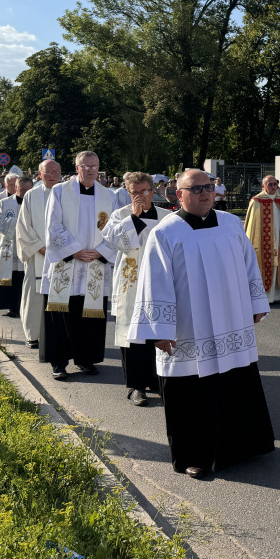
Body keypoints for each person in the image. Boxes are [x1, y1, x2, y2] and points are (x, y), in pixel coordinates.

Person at [127, 168, 274, 476]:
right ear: (178, 195)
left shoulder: (232, 224)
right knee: (192, 393)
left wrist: (257, 302)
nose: (205, 193)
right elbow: (155, 283)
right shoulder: (165, 233)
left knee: (235, 382)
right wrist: (158, 331)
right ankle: (195, 453)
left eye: (208, 187)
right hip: (189, 329)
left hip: (232, 322)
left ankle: (243, 446)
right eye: (195, 189)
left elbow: (250, 265)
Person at [41, 151, 117, 380]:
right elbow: (53, 225)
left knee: (90, 316)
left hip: (94, 263)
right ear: (77, 168)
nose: (91, 170)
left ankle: (86, 359)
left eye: (95, 166)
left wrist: (100, 252)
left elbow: (113, 229)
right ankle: (59, 362)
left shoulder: (108, 195)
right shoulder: (60, 191)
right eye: (86, 166)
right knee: (62, 313)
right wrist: (74, 250)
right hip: (68, 262)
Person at [100, 172, 170, 407]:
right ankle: (135, 386)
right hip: (131, 282)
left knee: (158, 330)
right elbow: (114, 243)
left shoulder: (167, 217)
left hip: (159, 281)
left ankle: (157, 380)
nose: (140, 196)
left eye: (144, 191)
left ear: (153, 190)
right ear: (128, 193)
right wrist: (136, 218)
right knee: (133, 336)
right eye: (134, 192)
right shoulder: (120, 215)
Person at [16, 159, 62, 351]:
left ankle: (60, 337)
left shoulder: (68, 193)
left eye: (55, 171)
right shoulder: (31, 196)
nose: (51, 175)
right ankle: (33, 335)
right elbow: (23, 226)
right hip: (38, 255)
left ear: (60, 173)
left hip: (64, 255)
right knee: (34, 296)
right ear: (39, 174)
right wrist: (40, 248)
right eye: (47, 171)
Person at [244, 174, 280, 304]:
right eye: (270, 184)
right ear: (263, 186)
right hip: (263, 240)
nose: (273, 187)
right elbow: (251, 225)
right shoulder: (257, 201)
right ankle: (267, 296)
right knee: (266, 263)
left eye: (275, 184)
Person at [0, 176, 33, 318]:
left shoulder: (37, 204)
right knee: (11, 276)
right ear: (15, 188)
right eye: (22, 190)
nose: (25, 193)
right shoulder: (4, 203)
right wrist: (18, 223)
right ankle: (12, 307)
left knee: (25, 277)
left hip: (29, 247)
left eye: (28, 190)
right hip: (10, 246)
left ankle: (26, 307)